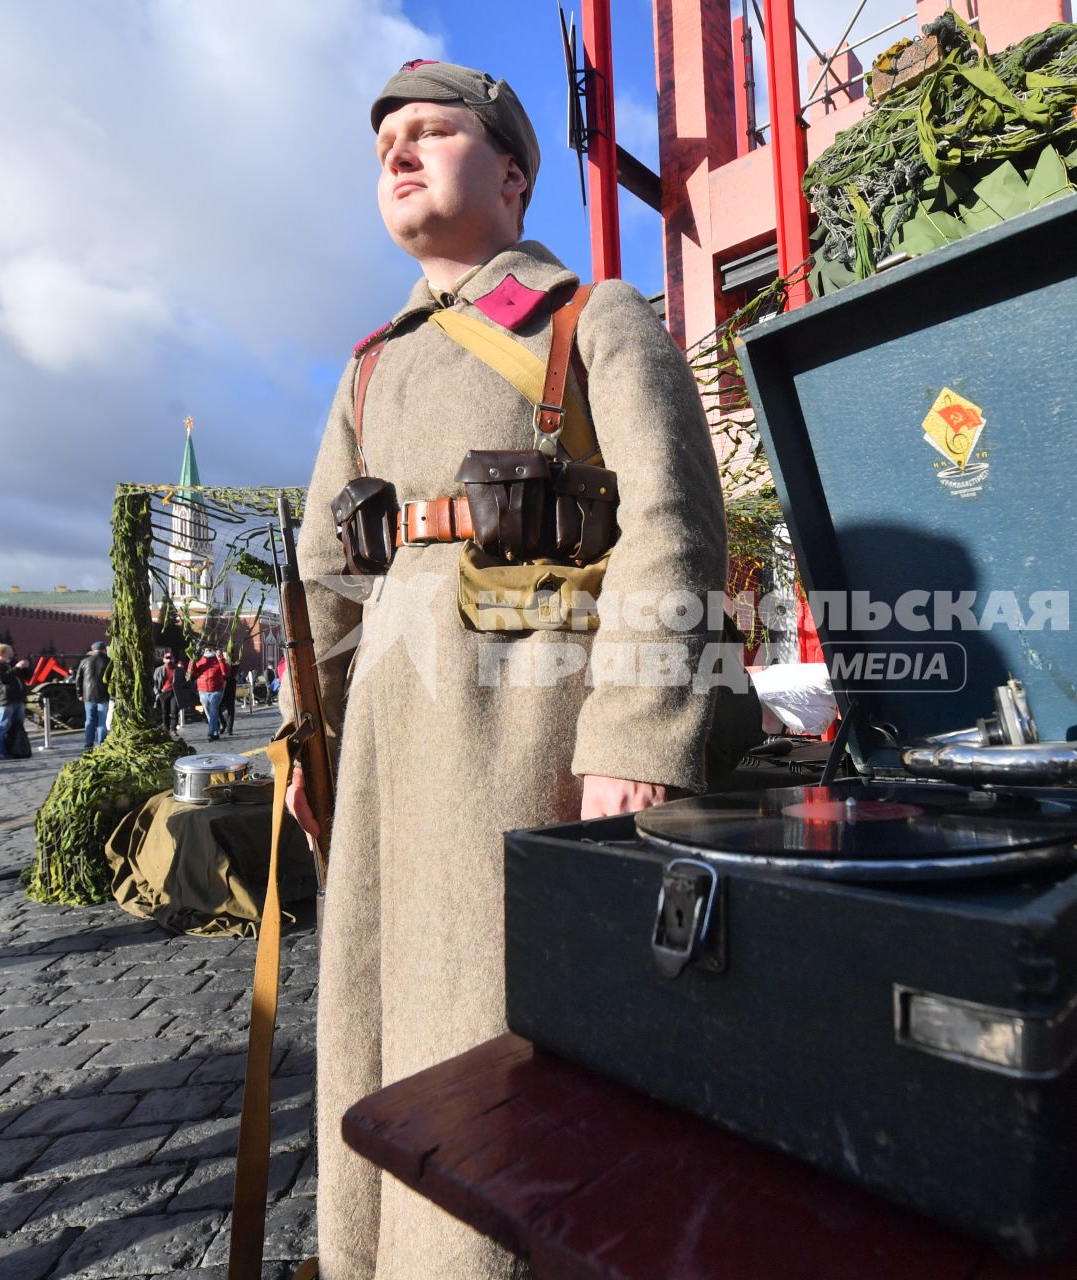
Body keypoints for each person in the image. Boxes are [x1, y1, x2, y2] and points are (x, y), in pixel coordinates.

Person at [289, 59, 725, 1280]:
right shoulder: (369, 366)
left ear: (516, 174)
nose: (400, 153)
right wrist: (304, 745)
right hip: (384, 739)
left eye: (434, 131)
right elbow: (326, 577)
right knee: (375, 1015)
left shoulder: (597, 319)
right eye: (386, 143)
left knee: (491, 1026)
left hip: (525, 725)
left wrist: (637, 735)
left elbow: (676, 528)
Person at [0, 643, 27, 759]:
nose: (12, 654)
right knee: (2, 727)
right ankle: (1, 752)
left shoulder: (9, 664)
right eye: (9, 652)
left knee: (18, 726)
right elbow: (1, 678)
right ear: (1, 653)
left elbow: (23, 677)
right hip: (4, 700)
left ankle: (16, 749)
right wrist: (17, 668)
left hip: (17, 699)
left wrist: (25, 668)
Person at [75, 639, 112, 750]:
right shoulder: (109, 661)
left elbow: (78, 679)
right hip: (104, 695)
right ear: (104, 650)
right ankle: (101, 742)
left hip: (88, 695)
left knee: (89, 719)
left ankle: (88, 742)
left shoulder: (84, 661)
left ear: (93, 650)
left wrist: (79, 693)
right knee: (102, 721)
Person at [188, 647, 231, 741]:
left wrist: (221, 659)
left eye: (210, 649)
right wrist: (192, 660)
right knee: (208, 713)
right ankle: (215, 732)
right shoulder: (199, 660)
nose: (207, 651)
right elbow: (192, 673)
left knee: (213, 709)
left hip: (216, 690)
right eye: (206, 650)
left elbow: (225, 673)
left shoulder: (218, 659)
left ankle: (211, 732)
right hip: (202, 690)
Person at [152, 651, 181, 734]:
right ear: (164, 660)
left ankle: (173, 729)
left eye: (170, 658)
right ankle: (166, 727)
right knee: (165, 711)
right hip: (163, 692)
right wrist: (157, 692)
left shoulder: (178, 669)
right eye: (167, 658)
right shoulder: (158, 670)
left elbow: (184, 680)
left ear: (173, 659)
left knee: (174, 710)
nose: (169, 660)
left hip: (174, 692)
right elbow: (155, 683)